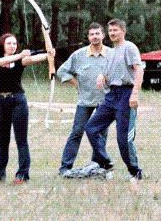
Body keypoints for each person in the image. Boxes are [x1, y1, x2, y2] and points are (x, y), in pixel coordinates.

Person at [0, 29, 55, 185]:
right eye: (9, 43)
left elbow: (42, 57)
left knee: (21, 140)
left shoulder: (22, 60)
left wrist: (49, 53)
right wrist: (21, 55)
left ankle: (22, 175)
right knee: (2, 140)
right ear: (2, 45)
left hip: (18, 101)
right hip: (1, 102)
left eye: (14, 43)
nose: (12, 45)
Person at [85, 19, 144, 181]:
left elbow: (139, 70)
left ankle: (135, 172)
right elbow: (108, 72)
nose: (112, 33)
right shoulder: (111, 51)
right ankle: (105, 163)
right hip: (111, 96)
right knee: (91, 127)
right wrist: (101, 76)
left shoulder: (129, 48)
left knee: (123, 138)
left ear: (123, 31)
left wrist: (135, 94)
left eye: (115, 30)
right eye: (110, 30)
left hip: (126, 94)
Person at [57, 23, 112, 176]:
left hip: (105, 102)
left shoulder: (112, 54)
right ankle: (65, 167)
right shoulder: (78, 55)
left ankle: (98, 165)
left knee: (100, 134)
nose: (94, 36)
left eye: (97, 33)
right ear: (88, 37)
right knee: (76, 132)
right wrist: (75, 84)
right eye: (91, 34)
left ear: (103, 35)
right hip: (84, 101)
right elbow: (62, 71)